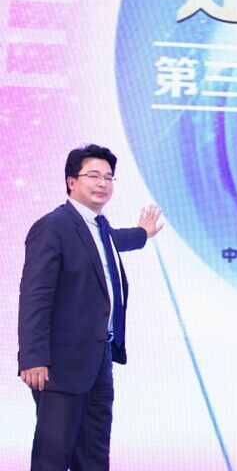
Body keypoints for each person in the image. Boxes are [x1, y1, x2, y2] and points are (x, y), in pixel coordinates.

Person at [17, 143, 164, 470]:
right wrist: (33, 357)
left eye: (108, 177)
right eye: (93, 176)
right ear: (72, 181)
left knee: (95, 454)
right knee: (53, 455)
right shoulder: (53, 226)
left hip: (99, 360)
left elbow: (115, 242)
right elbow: (35, 296)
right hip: (60, 365)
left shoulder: (100, 228)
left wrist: (142, 233)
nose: (102, 183)